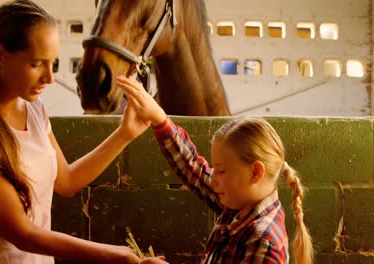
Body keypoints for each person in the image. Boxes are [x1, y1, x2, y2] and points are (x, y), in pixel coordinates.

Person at [0, 1, 168, 263]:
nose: (49, 78)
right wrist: (118, 256)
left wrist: (124, 134)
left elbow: (67, 181)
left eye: (53, 64)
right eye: (37, 64)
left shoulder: (34, 111)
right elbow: (22, 233)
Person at [116, 75, 314, 264]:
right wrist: (158, 118)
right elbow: (192, 168)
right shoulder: (237, 205)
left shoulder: (262, 242)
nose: (213, 179)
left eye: (221, 170)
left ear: (255, 172)